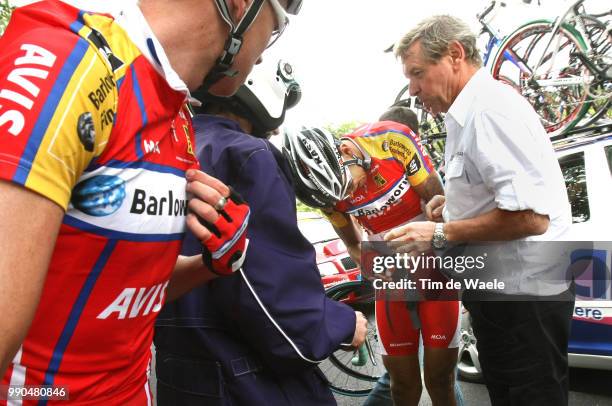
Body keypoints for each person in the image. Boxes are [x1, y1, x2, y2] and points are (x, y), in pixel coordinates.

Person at [0, 0, 302, 403]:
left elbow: (128, 287)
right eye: (278, 23)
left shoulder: (178, 117)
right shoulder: (71, 63)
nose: (265, 51)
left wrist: (211, 264)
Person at [154, 60, 367, 405]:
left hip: (178, 373)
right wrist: (342, 324)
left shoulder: (165, 151)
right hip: (249, 379)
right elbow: (272, 290)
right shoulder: (247, 154)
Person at [389, 15, 574, 406]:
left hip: (524, 300)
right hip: (502, 296)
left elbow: (531, 217)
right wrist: (452, 207)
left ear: (455, 54)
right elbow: (495, 193)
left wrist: (440, 233)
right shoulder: (464, 114)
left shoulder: (488, 109)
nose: (413, 89)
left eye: (418, 73)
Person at [283, 108, 461, 406]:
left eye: (349, 186)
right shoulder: (327, 194)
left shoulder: (391, 139)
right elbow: (354, 246)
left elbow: (439, 207)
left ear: (346, 152)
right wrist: (375, 269)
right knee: (402, 386)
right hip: (392, 277)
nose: (350, 195)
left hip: (434, 270)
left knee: (440, 380)